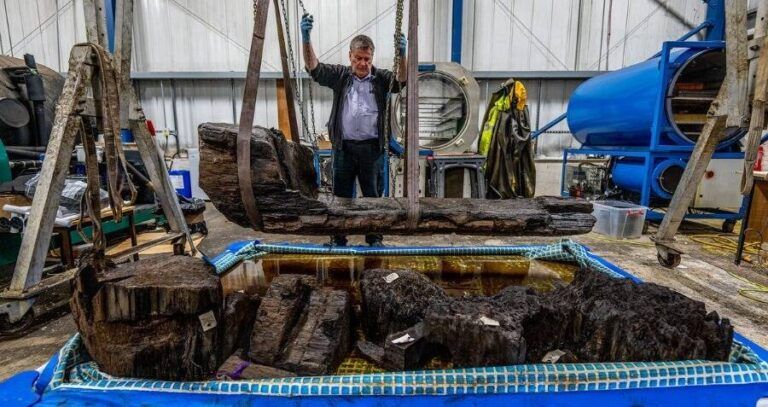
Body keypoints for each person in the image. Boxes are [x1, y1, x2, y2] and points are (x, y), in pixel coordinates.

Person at [301, 13, 407, 247]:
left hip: (373, 150)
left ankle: (374, 239)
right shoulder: (340, 76)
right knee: (341, 198)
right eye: (358, 58)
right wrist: (306, 38)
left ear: (372, 58)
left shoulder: (381, 79)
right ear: (350, 56)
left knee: (373, 198)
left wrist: (402, 55)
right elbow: (314, 68)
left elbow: (401, 81)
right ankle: (338, 238)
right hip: (344, 150)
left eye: (367, 59)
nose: (362, 64)